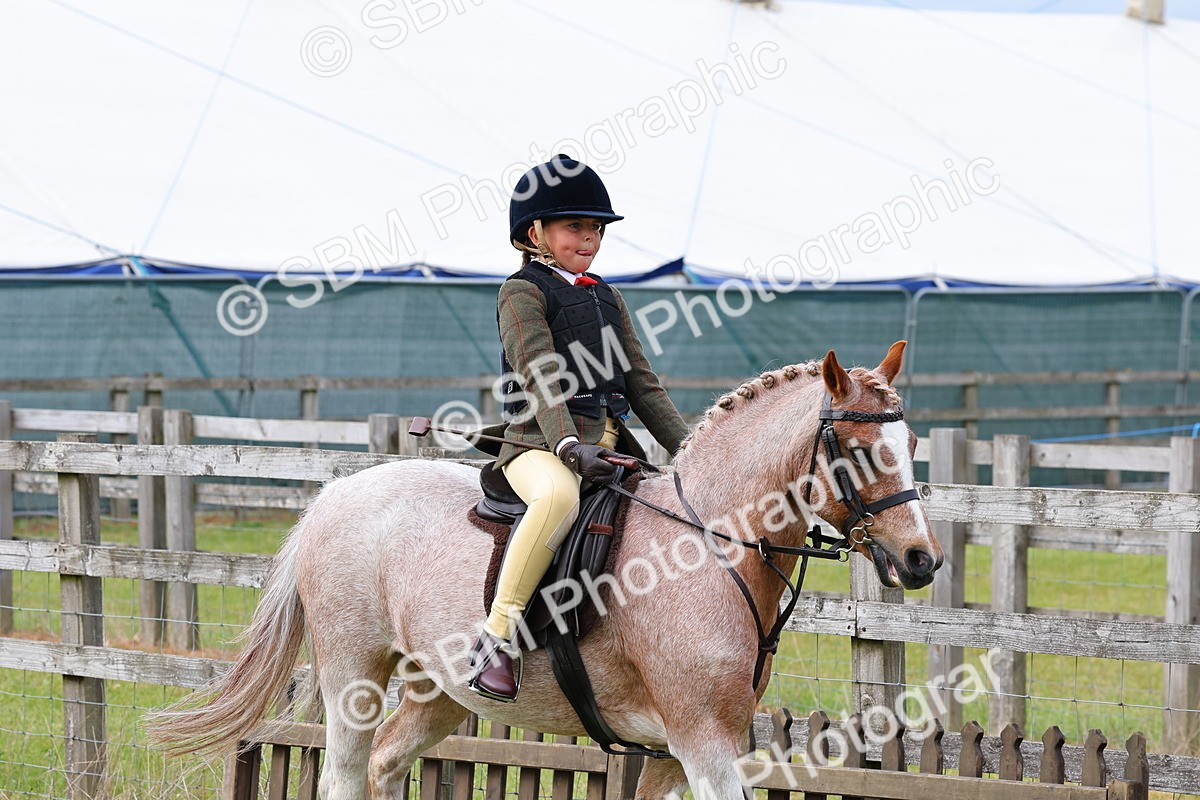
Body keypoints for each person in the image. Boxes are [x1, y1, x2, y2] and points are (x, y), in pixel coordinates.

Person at [468, 155, 690, 702]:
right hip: (539, 444)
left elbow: (642, 383)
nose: (589, 238)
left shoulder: (608, 296)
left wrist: (694, 450)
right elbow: (541, 375)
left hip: (609, 444)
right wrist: (568, 446)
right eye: (576, 227)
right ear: (534, 232)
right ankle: (497, 639)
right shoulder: (521, 292)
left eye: (596, 229)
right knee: (559, 500)